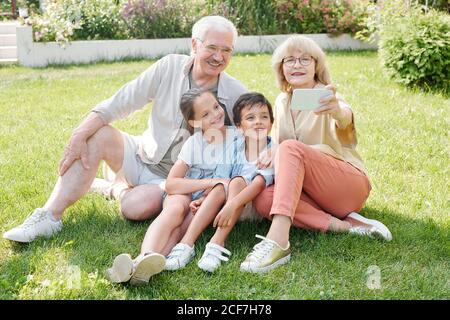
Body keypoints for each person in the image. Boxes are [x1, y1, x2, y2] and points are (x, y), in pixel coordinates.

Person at [3, 16, 247, 244]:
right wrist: (78, 135)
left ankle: (114, 187)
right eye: (212, 48)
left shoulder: (236, 93)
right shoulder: (170, 67)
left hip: (174, 181)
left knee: (135, 208)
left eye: (226, 50)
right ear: (195, 44)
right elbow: (120, 102)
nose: (219, 57)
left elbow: (254, 137)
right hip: (141, 154)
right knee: (97, 134)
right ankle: (48, 216)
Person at [240, 35, 393, 274]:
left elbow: (344, 120)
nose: (296, 65)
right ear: (281, 68)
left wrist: (337, 111)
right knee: (264, 199)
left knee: (289, 147)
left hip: (345, 186)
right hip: (311, 193)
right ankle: (344, 225)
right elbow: (279, 145)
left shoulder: (325, 95)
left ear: (316, 66)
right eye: (289, 60)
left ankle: (278, 241)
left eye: (304, 59)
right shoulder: (282, 101)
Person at [106, 88, 237, 284]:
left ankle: (141, 268)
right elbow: (172, 183)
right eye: (205, 114)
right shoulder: (194, 143)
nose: (216, 114)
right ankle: (143, 256)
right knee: (174, 210)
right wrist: (211, 182)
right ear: (194, 123)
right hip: (186, 191)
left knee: (182, 228)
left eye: (216, 107)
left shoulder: (237, 138)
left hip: (208, 200)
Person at [164, 92, 274, 273]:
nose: (258, 122)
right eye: (251, 118)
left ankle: (216, 242)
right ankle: (186, 244)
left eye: (264, 117)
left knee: (237, 182)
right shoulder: (235, 146)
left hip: (251, 204)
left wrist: (232, 205)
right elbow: (222, 178)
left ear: (271, 124)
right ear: (239, 127)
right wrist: (204, 198)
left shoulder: (271, 152)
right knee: (223, 184)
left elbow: (258, 185)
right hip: (228, 202)